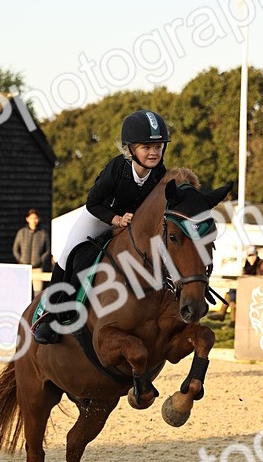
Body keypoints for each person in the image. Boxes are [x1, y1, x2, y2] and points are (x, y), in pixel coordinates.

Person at [33, 110, 170, 343]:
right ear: (130, 149)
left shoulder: (160, 174)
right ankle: (49, 315)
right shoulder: (116, 168)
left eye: (158, 147)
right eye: (146, 147)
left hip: (131, 229)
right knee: (68, 255)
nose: (154, 152)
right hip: (98, 218)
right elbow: (93, 203)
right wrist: (116, 219)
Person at [209, 246, 263, 323]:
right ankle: (230, 318)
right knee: (232, 291)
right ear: (247, 257)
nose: (251, 258)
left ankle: (226, 315)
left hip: (259, 292)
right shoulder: (246, 266)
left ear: (257, 255)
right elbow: (243, 279)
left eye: (253, 255)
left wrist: (260, 281)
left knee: (233, 292)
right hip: (247, 290)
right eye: (249, 256)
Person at [12, 209, 51, 298]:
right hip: (23, 268)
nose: (34, 220)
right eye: (31, 218)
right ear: (27, 219)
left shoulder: (43, 233)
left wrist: (40, 260)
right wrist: (20, 260)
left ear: (38, 219)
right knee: (23, 291)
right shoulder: (21, 232)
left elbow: (47, 250)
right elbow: (15, 249)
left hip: (37, 268)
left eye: (35, 218)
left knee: (37, 293)